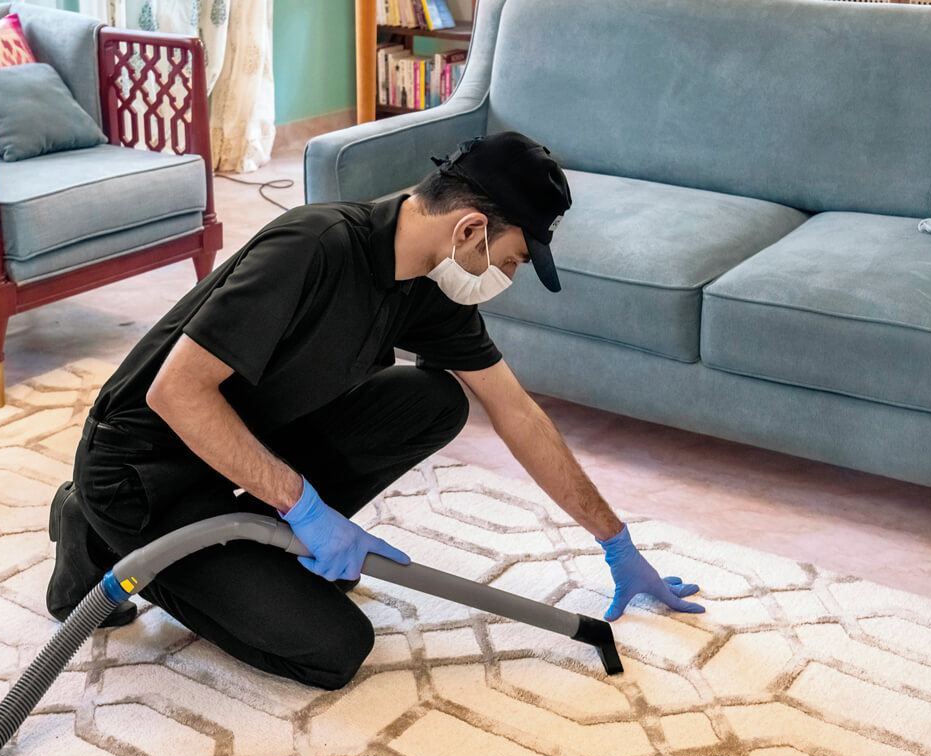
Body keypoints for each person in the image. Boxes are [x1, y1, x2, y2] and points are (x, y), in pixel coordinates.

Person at [46, 131, 704, 691]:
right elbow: (176, 393)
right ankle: (95, 532)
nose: (507, 277)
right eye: (511, 260)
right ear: (471, 228)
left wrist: (616, 543)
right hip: (141, 477)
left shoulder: (428, 287)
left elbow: (517, 414)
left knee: (432, 401)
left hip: (234, 456)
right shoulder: (313, 248)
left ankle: (250, 538)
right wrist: (303, 506)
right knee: (334, 649)